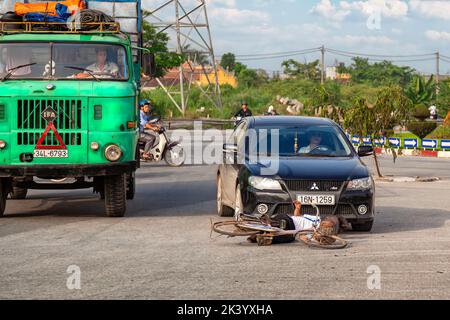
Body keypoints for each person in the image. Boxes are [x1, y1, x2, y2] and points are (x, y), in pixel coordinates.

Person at [248, 200, 350, 245]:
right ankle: (266, 228)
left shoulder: (319, 232)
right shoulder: (316, 219)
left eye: (330, 223)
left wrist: (307, 239)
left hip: (291, 228)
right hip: (290, 221)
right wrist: (298, 208)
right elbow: (298, 218)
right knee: (284, 228)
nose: (327, 222)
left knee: (284, 236)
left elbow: (306, 237)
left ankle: (260, 235)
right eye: (329, 221)